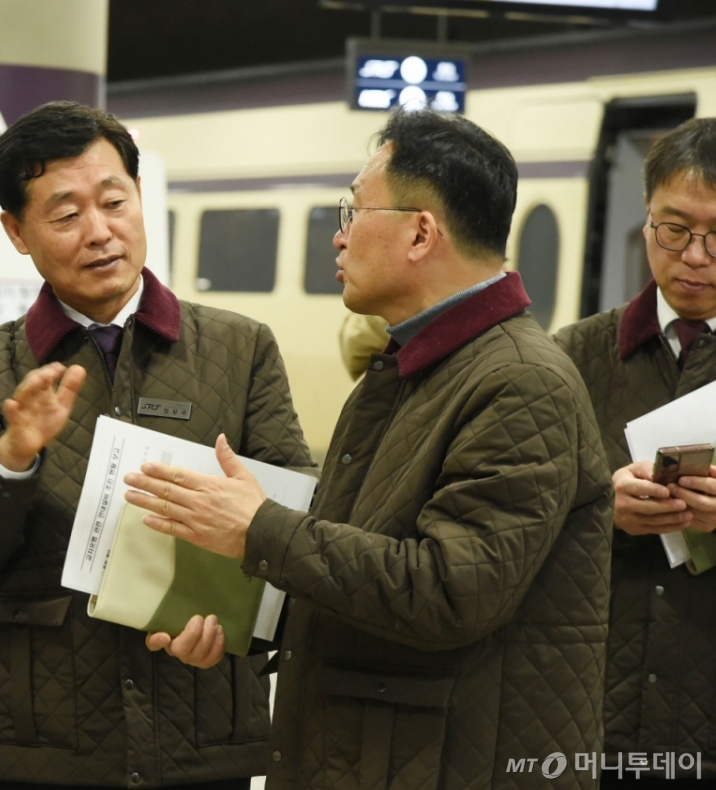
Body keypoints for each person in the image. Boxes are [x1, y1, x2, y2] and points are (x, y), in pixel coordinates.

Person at [123, 110, 613, 789]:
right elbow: (362, 565)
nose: (339, 235)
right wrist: (244, 621)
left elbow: (451, 591)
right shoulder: (409, 366)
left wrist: (259, 529)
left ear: (420, 233)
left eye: (353, 211)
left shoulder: (521, 382)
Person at [0, 101, 314, 790]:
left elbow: (296, 528)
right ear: (16, 232)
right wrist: (12, 459)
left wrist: (244, 625)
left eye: (114, 202)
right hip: (44, 741)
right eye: (66, 215)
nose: (99, 232)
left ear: (140, 197)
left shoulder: (240, 349)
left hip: (204, 729)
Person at [554, 117, 716, 788]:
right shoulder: (571, 357)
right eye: (674, 230)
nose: (696, 257)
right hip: (590, 716)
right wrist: (599, 508)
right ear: (645, 221)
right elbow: (506, 522)